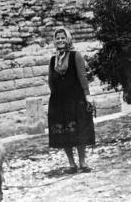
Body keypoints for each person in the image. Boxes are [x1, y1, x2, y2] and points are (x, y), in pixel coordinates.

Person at [48, 27, 95, 174]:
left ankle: (82, 162)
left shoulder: (76, 56)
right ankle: (71, 164)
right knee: (63, 132)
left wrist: (87, 95)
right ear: (55, 41)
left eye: (63, 37)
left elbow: (82, 77)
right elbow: (50, 80)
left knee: (79, 131)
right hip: (59, 101)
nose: (60, 40)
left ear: (68, 39)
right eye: (58, 38)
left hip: (76, 100)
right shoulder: (53, 59)